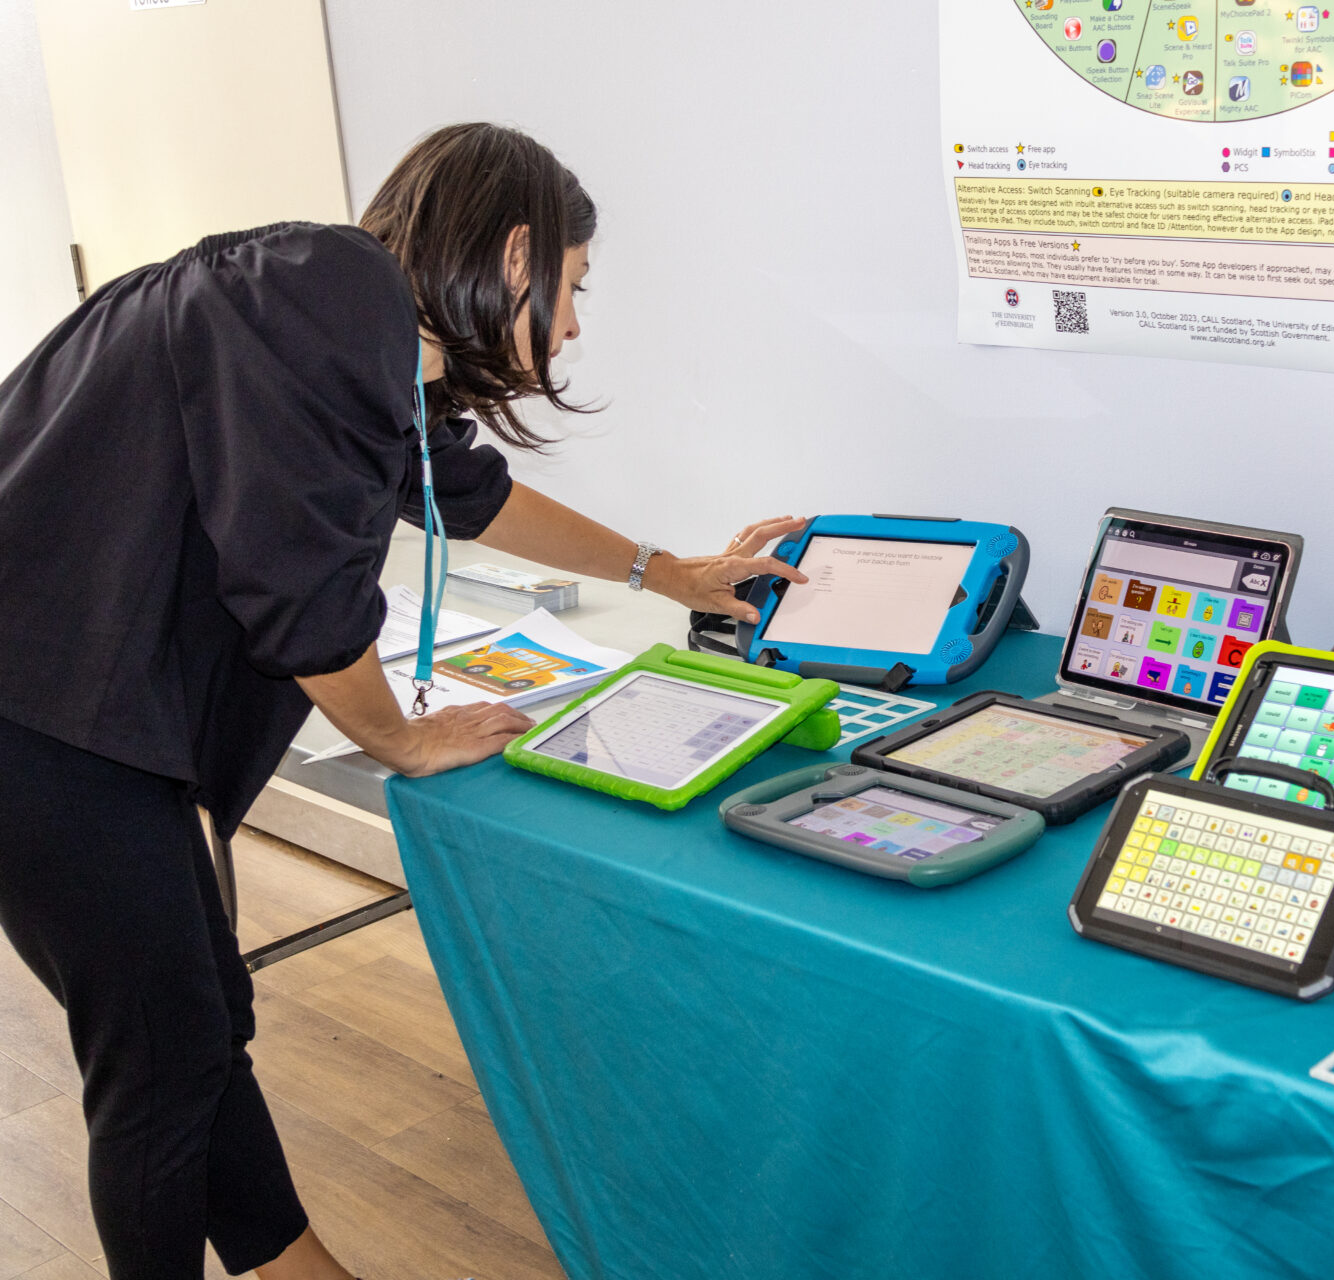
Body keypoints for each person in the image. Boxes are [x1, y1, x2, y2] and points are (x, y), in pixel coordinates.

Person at [0, 123, 802, 1279]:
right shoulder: (324, 297)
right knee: (162, 1061)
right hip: (46, 724)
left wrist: (666, 571)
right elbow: (299, 588)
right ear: (516, 254)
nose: (572, 327)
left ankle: (300, 1266)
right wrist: (399, 739)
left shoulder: (352, 329)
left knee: (199, 1018)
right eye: (574, 289)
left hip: (81, 718)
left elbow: (466, 497)